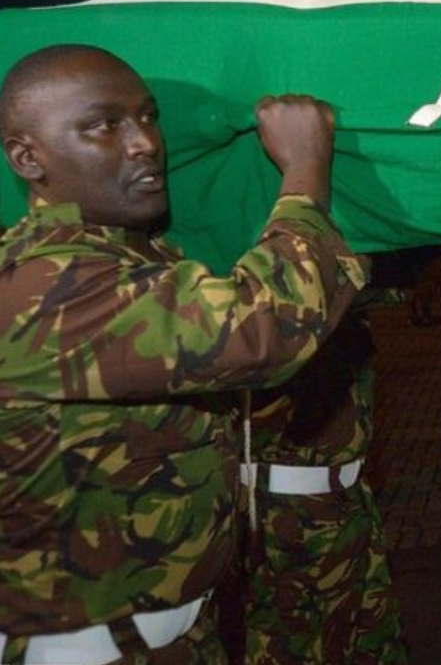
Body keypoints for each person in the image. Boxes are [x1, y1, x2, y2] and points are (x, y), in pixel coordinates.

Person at [0, 44, 366, 665]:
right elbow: (268, 327)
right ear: (28, 159)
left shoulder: (122, 256)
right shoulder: (43, 287)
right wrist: (305, 170)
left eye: (148, 117)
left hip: (167, 635)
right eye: (104, 126)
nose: (145, 142)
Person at [227, 289, 408, 665]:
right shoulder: (260, 290)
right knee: (291, 646)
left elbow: (393, 287)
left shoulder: (340, 287)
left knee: (372, 641)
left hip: (349, 499)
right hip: (290, 518)